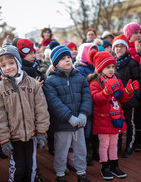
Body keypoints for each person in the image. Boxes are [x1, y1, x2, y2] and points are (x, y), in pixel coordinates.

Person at [0, 45, 50, 181]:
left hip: (31, 135)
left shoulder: (33, 84)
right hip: (13, 137)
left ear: (18, 62)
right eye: (4, 65)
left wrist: (42, 132)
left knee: (30, 167)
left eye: (11, 63)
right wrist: (4, 139)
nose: (8, 67)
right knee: (18, 168)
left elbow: (41, 109)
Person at [87, 50, 139, 180]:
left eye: (112, 67)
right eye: (107, 67)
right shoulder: (95, 82)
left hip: (116, 118)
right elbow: (95, 99)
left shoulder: (117, 80)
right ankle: (105, 167)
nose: (111, 70)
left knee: (114, 144)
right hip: (103, 119)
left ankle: (114, 166)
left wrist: (128, 91)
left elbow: (122, 97)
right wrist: (105, 92)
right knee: (104, 144)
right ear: (100, 68)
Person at [43, 45, 92, 182]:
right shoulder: (50, 81)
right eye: (63, 58)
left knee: (81, 149)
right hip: (63, 124)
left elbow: (87, 96)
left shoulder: (80, 77)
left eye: (69, 57)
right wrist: (69, 117)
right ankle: (60, 174)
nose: (67, 60)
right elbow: (54, 103)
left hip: (79, 123)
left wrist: (83, 113)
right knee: (61, 151)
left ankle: (81, 173)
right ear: (56, 62)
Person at [112, 34, 140, 157]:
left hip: (130, 99)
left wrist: (134, 95)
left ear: (126, 48)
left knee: (129, 123)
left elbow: (137, 80)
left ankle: (130, 145)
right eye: (117, 46)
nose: (119, 49)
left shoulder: (132, 63)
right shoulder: (112, 63)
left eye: (122, 46)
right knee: (117, 122)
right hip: (116, 100)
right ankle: (117, 145)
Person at [74, 43, 98, 166]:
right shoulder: (80, 69)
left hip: (97, 105)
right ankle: (86, 153)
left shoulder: (96, 66)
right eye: (91, 51)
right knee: (86, 131)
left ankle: (95, 151)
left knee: (95, 129)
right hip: (86, 105)